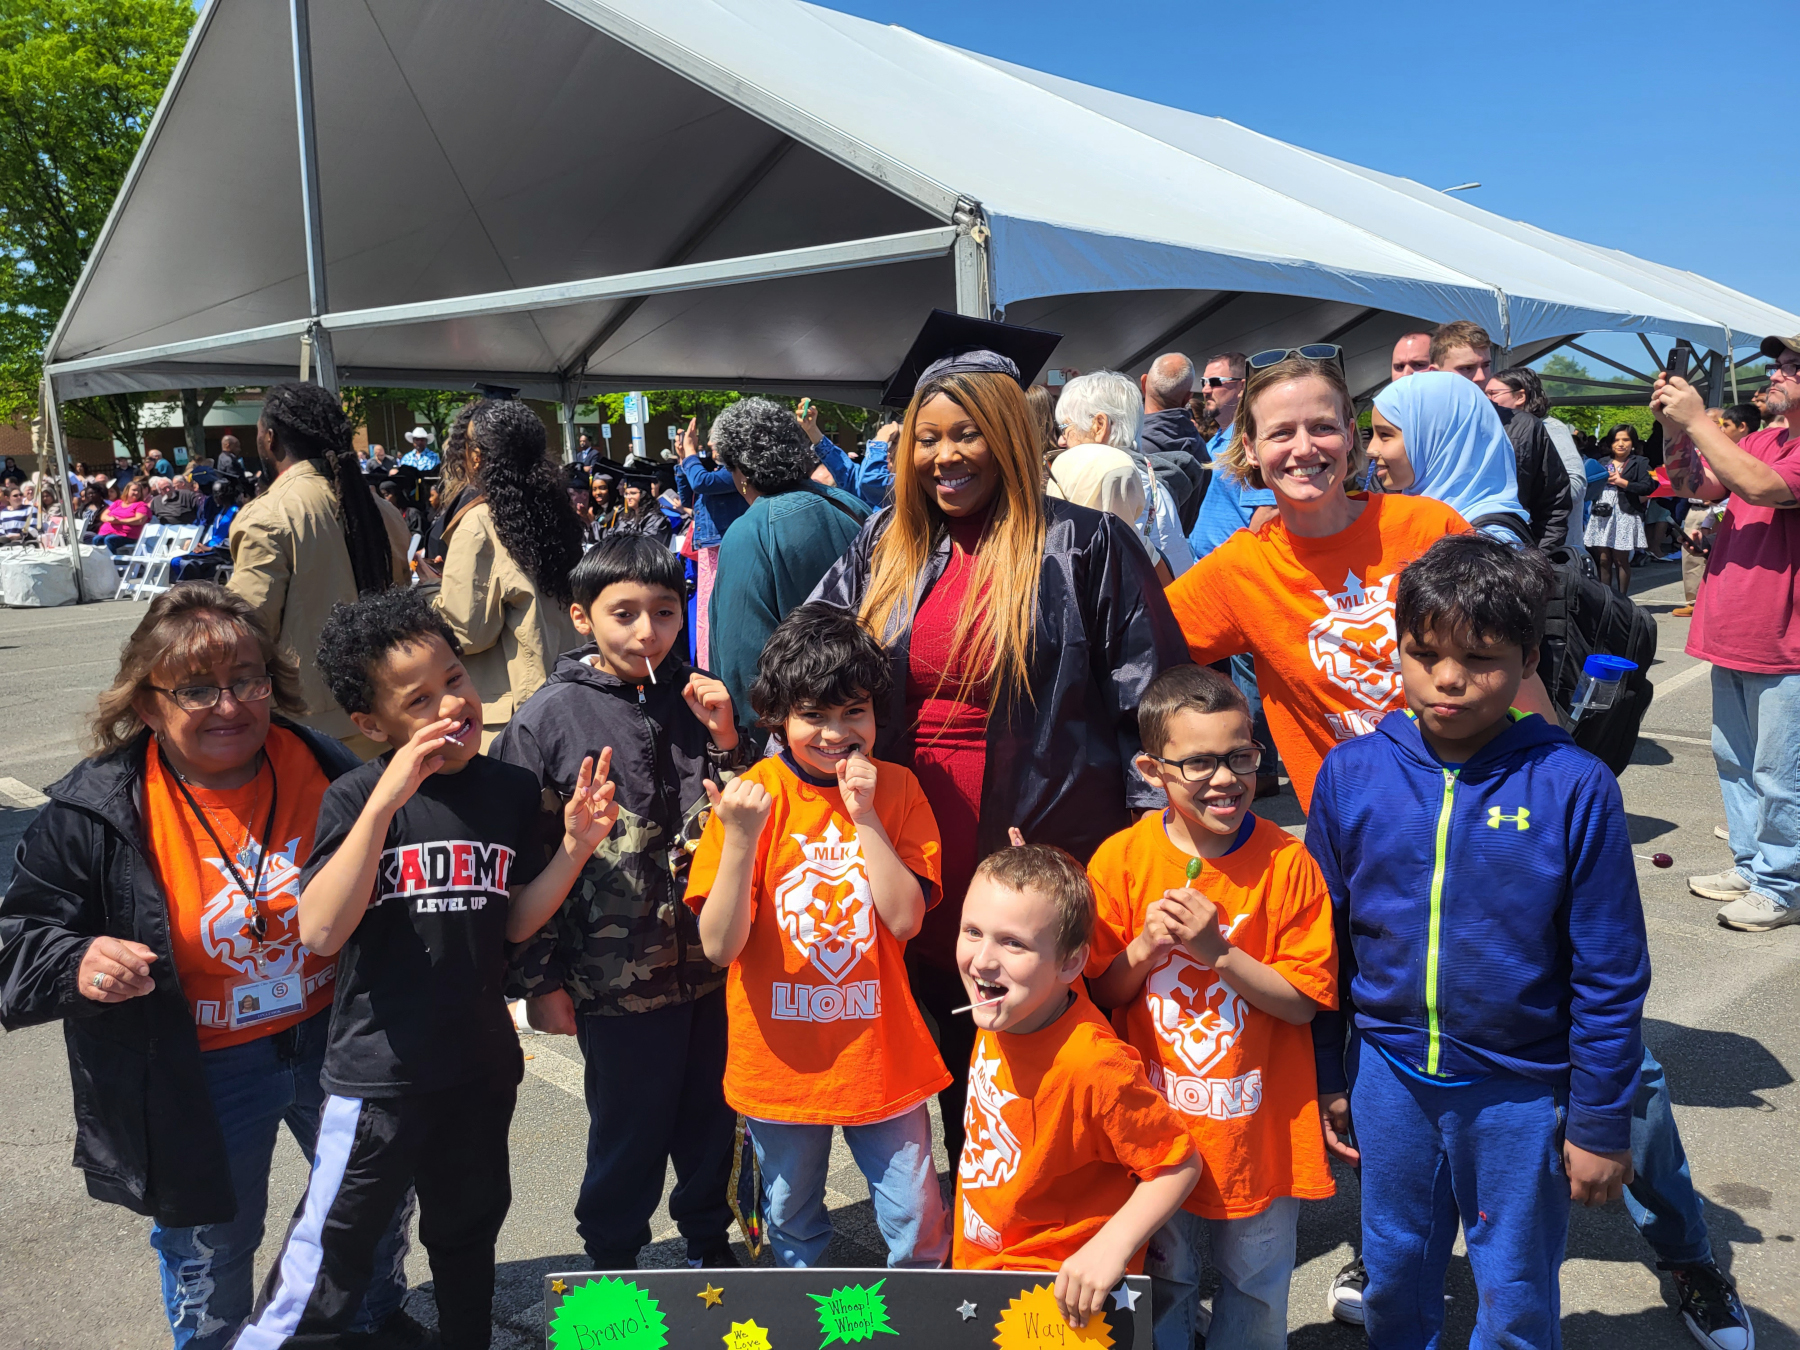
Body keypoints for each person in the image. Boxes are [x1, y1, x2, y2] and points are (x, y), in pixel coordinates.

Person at [0, 584, 417, 1350]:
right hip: (197, 1062)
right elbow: (16, 939)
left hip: (334, 1037)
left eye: (248, 680)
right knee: (212, 1238)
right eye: (197, 689)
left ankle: (373, 1316)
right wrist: (78, 957)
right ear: (148, 704)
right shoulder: (97, 809)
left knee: (373, 1198)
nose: (229, 705)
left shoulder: (326, 767)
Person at [813, 314, 1188, 1161]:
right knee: (930, 1017)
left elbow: (1150, 703)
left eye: (967, 434)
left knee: (1035, 1027)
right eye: (927, 438)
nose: (944, 456)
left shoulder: (1084, 544)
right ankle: (961, 1216)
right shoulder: (885, 544)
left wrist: (1144, 845)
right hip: (912, 820)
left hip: (1044, 814)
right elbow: (812, 660)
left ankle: (1056, 1220)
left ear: (1011, 438)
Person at [237, 588, 618, 1350]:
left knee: (467, 1240)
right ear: (372, 726)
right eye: (419, 699)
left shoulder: (508, 791)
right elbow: (318, 930)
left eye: (454, 678)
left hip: (478, 1069)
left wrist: (576, 848)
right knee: (327, 1258)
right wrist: (383, 804)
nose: (452, 702)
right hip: (378, 1078)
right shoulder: (353, 797)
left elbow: (510, 921)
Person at [1307, 534, 1657, 1347]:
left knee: (1516, 1286)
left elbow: (1610, 970)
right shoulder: (1352, 774)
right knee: (1392, 1271)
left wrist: (1599, 1121)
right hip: (1389, 1078)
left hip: (1520, 1094)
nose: (1450, 678)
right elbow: (1323, 947)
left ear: (1530, 657)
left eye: (1482, 657)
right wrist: (1329, 1071)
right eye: (1423, 653)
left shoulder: (1574, 786)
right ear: (1397, 650)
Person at [495, 536, 742, 1272]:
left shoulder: (701, 697)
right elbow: (524, 857)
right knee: (627, 1133)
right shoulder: (548, 719)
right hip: (611, 983)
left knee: (711, 1122)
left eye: (665, 612)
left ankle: (709, 1243)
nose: (647, 632)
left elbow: (750, 812)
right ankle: (613, 1262)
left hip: (712, 968)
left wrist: (729, 740)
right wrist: (539, 983)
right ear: (581, 616)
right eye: (624, 613)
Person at [686, 602, 952, 1269]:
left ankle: (915, 1326)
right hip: (779, 1063)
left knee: (918, 1218)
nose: (836, 733)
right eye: (814, 715)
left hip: (880, 1055)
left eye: (853, 712)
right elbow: (720, 947)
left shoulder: (897, 790)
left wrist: (864, 818)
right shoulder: (749, 798)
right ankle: (813, 1322)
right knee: (790, 1219)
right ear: (778, 716)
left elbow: (904, 919)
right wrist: (742, 839)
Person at [1085, 665, 1336, 1349]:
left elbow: (1303, 1004)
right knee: (1164, 1284)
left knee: (1255, 1288)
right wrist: (1141, 948)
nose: (1224, 778)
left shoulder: (1288, 863)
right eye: (1198, 762)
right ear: (1151, 769)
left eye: (1240, 757)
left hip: (1259, 1137)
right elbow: (1100, 996)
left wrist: (1218, 952)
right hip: (1157, 1139)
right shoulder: (1121, 861)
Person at [1162, 351, 1471, 813]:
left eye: (1322, 427)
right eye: (1281, 432)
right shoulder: (1242, 569)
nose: (1304, 448)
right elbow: (1137, 651)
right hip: (1352, 830)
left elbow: (1507, 669)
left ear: (1350, 435)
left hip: (1471, 804)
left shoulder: (1430, 528)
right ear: (1250, 448)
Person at [952, 844, 1200, 1330]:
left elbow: (1178, 1164)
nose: (983, 961)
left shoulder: (1094, 1064)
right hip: (981, 1273)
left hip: (1061, 1299)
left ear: (1070, 966)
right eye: (973, 932)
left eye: (1013, 943)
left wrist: (1112, 1246)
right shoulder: (1001, 1009)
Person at [1657, 335, 1800, 932]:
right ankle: (1754, 865)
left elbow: (1762, 486)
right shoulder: (1767, 437)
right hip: (1737, 630)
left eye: (1792, 366)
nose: (1776, 373)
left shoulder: (1779, 453)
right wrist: (1674, 430)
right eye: (1778, 364)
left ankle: (1785, 884)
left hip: (1785, 639)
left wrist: (1696, 417)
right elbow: (1699, 484)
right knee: (1737, 761)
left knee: (1780, 770)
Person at [226, 382, 409, 758]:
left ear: (271, 439)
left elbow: (247, 630)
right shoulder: (382, 510)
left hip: (309, 728)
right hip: (389, 710)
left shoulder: (268, 515)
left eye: (258, 433)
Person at [708, 397, 872, 749]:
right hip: (867, 719)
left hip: (799, 741)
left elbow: (740, 662)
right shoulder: (852, 506)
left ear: (740, 471)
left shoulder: (749, 531)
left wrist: (748, 745)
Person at [432, 398, 585, 748]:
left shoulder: (480, 523)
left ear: (475, 456)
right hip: (567, 693)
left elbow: (467, 632)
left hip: (513, 710)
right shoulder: (557, 511)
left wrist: (431, 592)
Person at [1430, 321, 1571, 546]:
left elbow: (1554, 503)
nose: (1479, 377)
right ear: (1435, 373)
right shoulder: (1415, 427)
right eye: (1466, 368)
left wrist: (1538, 561)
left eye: (1485, 365)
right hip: (1429, 562)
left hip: (1506, 562)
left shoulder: (1524, 427)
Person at [1053, 370, 1195, 579]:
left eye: (1065, 427)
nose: (1061, 441)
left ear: (1099, 426)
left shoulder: (1112, 480)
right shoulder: (1148, 476)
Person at [1370, 370, 1532, 544]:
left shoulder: (1486, 548)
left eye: (1385, 435)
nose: (1371, 449)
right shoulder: (1418, 519)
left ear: (1435, 439)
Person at [674, 416, 748, 669]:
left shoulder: (740, 471)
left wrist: (691, 453)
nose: (710, 443)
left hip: (725, 548)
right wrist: (684, 459)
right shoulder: (717, 472)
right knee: (706, 614)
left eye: (716, 438)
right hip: (709, 550)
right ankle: (707, 668)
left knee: (720, 612)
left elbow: (701, 482)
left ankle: (720, 669)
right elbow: (688, 497)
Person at [1674, 405, 1761, 617]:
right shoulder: (1701, 448)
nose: (1718, 430)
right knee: (1692, 555)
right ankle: (1693, 601)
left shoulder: (1744, 452)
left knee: (1726, 556)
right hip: (1696, 508)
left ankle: (1718, 601)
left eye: (1720, 424)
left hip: (1723, 510)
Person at [1186, 352, 1272, 559]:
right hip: (1201, 569)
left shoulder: (1251, 442)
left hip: (1231, 571)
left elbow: (1268, 511)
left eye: (1215, 382)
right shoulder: (1215, 441)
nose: (1205, 390)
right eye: (1204, 382)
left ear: (1242, 387)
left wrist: (1239, 564)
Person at [1488, 365, 1588, 527]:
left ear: (1520, 396)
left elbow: (1576, 485)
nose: (1487, 400)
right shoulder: (1499, 430)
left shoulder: (1550, 428)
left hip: (1548, 540)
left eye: (1493, 394)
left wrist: (1529, 496)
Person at [1136, 353, 1209, 530]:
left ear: (1144, 384)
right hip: (1181, 552)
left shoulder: (1132, 445)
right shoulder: (1202, 450)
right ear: (1187, 398)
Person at [1585, 424, 1655, 593]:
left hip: (1626, 512)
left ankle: (1623, 600)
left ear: (1633, 443)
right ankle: (1606, 597)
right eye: (1616, 440)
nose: (1621, 444)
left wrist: (1623, 483)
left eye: (1626, 439)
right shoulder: (1601, 462)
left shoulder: (1640, 462)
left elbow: (1648, 487)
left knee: (1621, 559)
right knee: (1602, 559)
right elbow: (1588, 485)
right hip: (1603, 512)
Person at [98, 477, 153, 554]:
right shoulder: (118, 503)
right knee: (96, 539)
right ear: (127, 491)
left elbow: (139, 520)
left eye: (138, 491)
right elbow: (103, 516)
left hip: (128, 535)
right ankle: (98, 562)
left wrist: (119, 521)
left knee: (109, 539)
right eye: (134, 490)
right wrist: (110, 519)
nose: (136, 493)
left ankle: (111, 563)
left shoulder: (141, 505)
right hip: (109, 532)